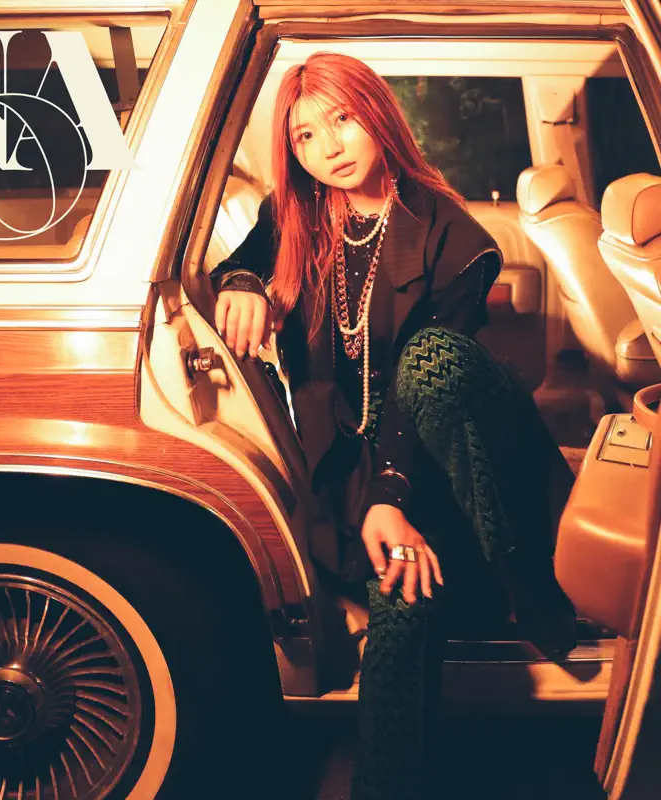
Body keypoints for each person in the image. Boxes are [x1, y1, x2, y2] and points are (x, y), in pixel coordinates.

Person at [210, 52, 577, 800]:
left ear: (377, 114)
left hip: (450, 453)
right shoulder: (294, 217)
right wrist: (245, 283)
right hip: (359, 469)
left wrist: (394, 494)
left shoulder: (454, 234)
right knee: (401, 599)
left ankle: (520, 574)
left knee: (431, 362)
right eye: (305, 136)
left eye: (342, 119)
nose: (329, 146)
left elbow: (429, 386)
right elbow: (237, 266)